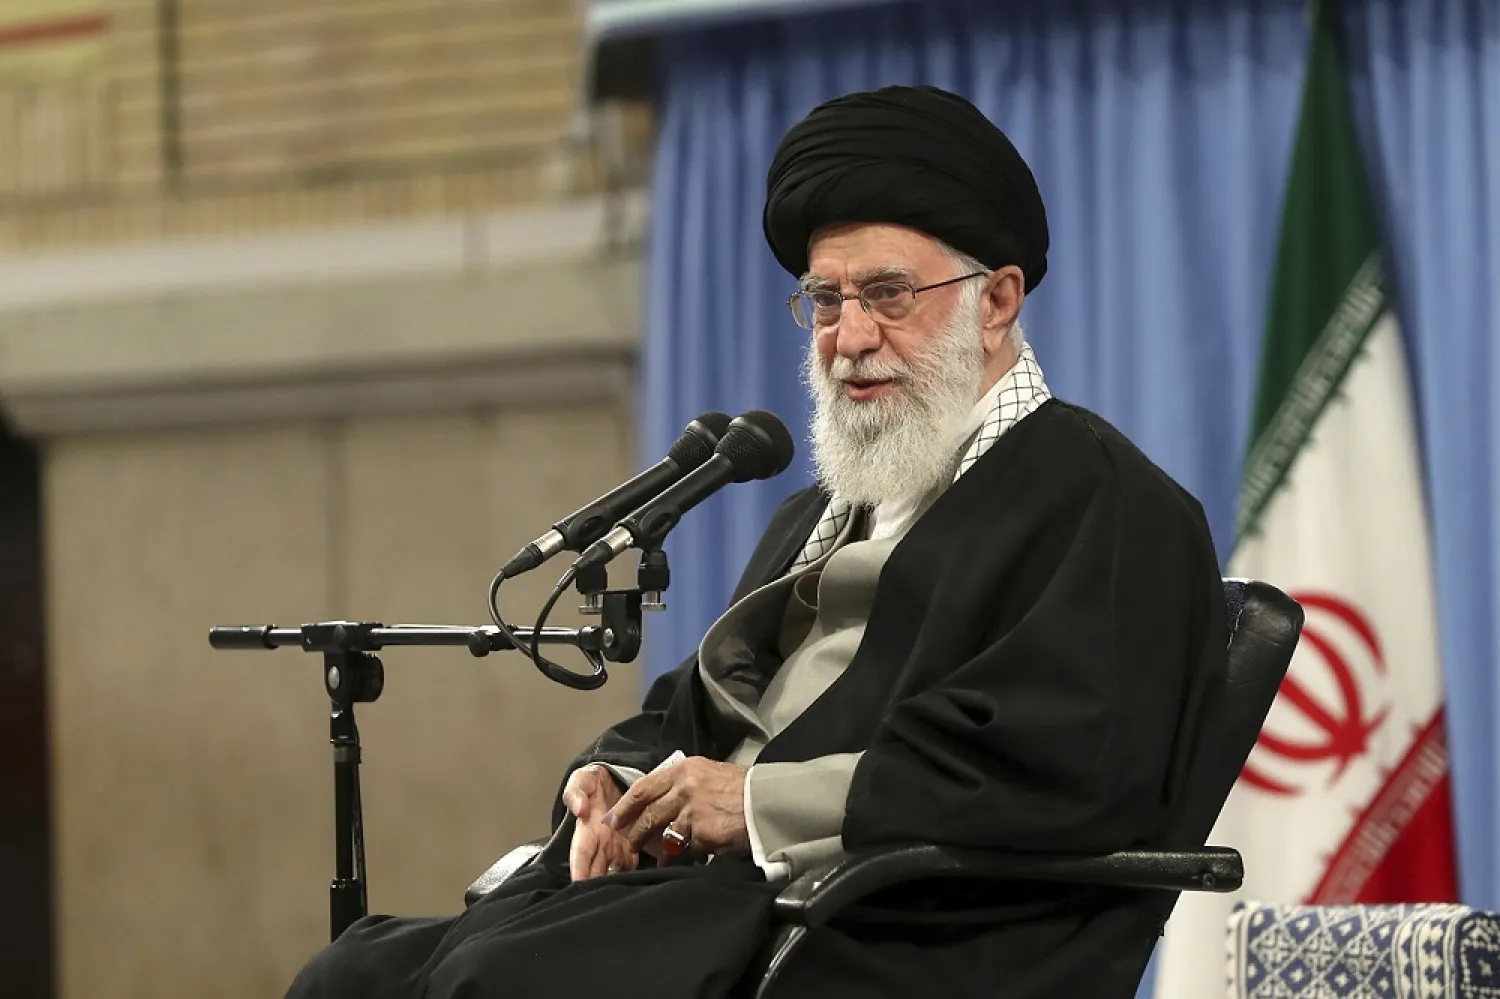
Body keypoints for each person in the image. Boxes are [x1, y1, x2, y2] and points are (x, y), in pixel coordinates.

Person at [286, 84, 1227, 999]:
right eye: (825, 299)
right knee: (353, 972)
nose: (850, 335)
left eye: (889, 294)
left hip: (885, 930)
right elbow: (692, 712)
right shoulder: (821, 511)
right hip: (724, 904)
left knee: (494, 980)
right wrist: (612, 782)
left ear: (996, 302)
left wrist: (757, 805)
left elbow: (1055, 770)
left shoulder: (1101, 502)